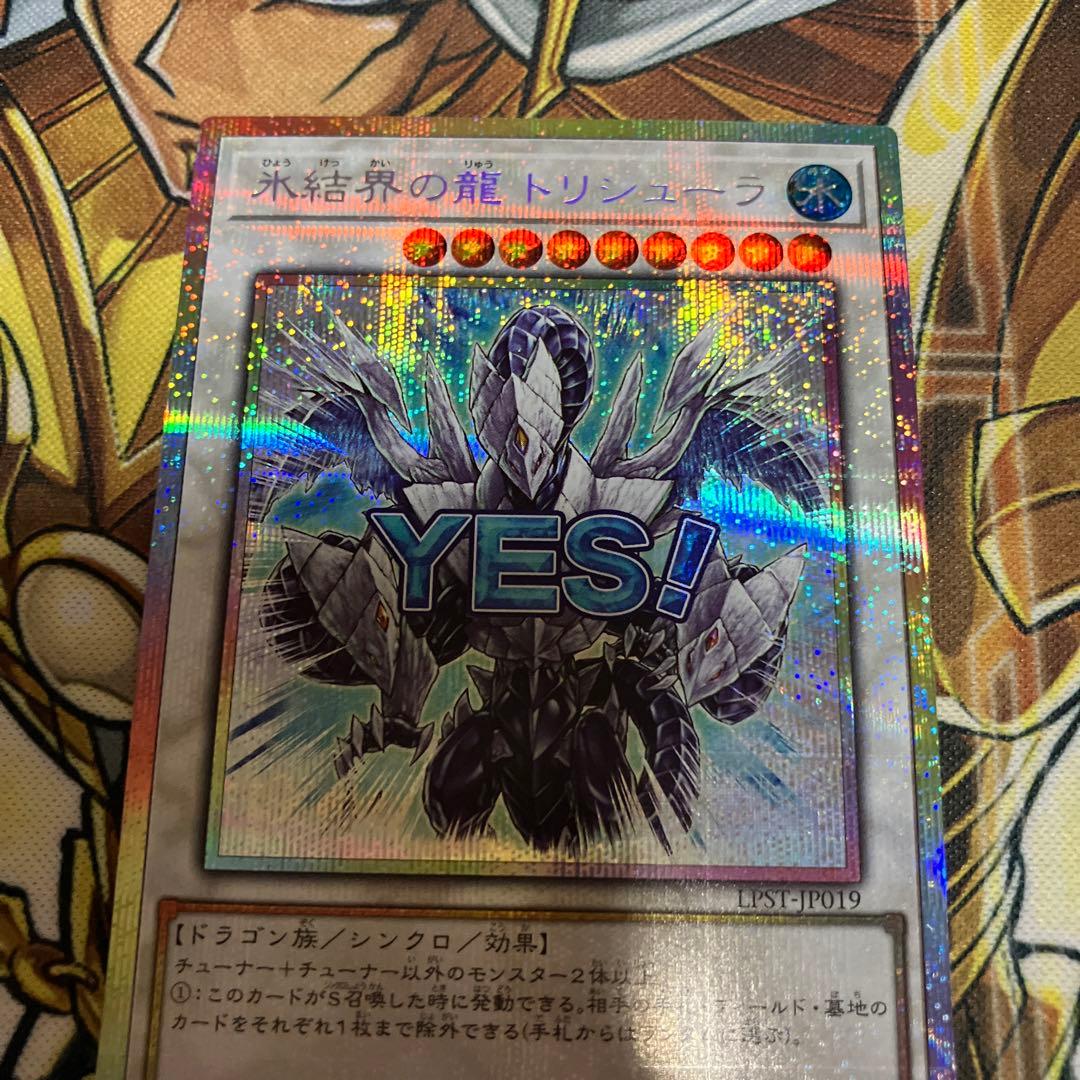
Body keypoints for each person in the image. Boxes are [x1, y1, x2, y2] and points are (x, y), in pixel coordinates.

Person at [0, 0, 1074, 1074]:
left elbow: (726, 514)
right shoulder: (438, 479)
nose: (523, 426)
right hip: (448, 773)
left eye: (539, 402)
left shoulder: (639, 479)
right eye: (506, 400)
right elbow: (347, 510)